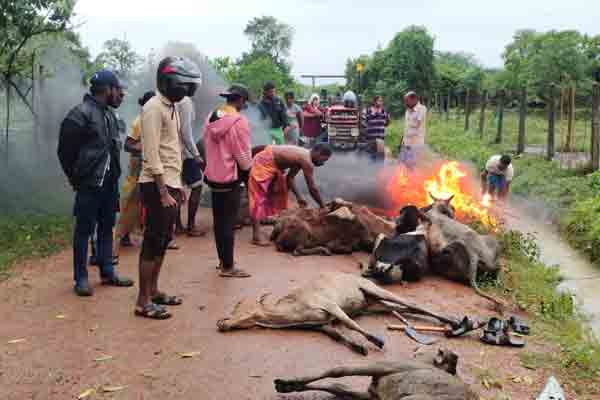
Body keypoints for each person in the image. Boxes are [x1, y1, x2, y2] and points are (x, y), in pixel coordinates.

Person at [135, 56, 202, 319]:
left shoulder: (172, 107)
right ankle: (142, 302)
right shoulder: (153, 108)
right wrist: (163, 191)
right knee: (153, 241)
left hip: (169, 183)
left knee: (163, 240)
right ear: (169, 82)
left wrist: (178, 185)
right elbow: (151, 154)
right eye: (183, 85)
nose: (186, 90)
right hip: (155, 185)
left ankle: (154, 291)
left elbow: (171, 149)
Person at [58, 69, 133, 297]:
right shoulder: (79, 114)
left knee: (107, 227)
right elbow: (65, 153)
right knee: (84, 230)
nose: (121, 94)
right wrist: (76, 178)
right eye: (118, 89)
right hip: (89, 185)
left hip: (109, 184)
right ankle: (81, 278)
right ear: (107, 89)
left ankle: (107, 272)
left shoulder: (109, 114)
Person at [203, 84, 253, 278]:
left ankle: (223, 261)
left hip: (213, 177)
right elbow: (243, 155)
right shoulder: (239, 122)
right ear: (240, 100)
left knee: (219, 222)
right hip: (230, 178)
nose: (244, 106)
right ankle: (228, 267)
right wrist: (248, 171)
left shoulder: (211, 116)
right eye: (244, 102)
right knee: (228, 223)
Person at [249, 144, 332, 246]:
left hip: (271, 163)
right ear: (318, 152)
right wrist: (323, 206)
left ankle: (264, 217)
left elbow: (290, 178)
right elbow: (312, 188)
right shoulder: (306, 161)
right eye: (323, 159)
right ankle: (256, 237)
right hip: (263, 163)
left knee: (277, 191)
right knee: (258, 198)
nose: (322, 163)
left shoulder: (302, 157)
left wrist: (299, 197)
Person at [112, 91, 155, 259]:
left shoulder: (148, 119)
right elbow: (128, 145)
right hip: (138, 170)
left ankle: (125, 237)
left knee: (139, 204)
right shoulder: (140, 121)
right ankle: (115, 243)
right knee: (132, 203)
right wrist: (147, 148)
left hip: (144, 168)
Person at [176, 94, 207, 237]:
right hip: (185, 153)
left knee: (176, 188)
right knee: (197, 185)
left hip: (174, 151)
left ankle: (177, 226)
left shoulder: (173, 100)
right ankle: (191, 226)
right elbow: (186, 132)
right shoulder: (185, 101)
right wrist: (196, 154)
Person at [399, 91, 427, 171]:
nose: (406, 103)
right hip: (406, 141)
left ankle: (415, 178)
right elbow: (407, 126)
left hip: (416, 142)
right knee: (403, 163)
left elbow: (417, 124)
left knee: (414, 164)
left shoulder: (421, 109)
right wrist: (403, 140)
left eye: (407, 101)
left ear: (414, 99)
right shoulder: (408, 110)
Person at [363, 95, 390, 163]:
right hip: (371, 140)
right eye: (379, 101)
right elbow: (364, 122)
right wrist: (374, 114)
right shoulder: (368, 111)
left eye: (381, 101)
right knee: (370, 160)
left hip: (380, 139)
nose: (381, 102)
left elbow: (387, 123)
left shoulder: (384, 111)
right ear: (374, 102)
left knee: (380, 160)